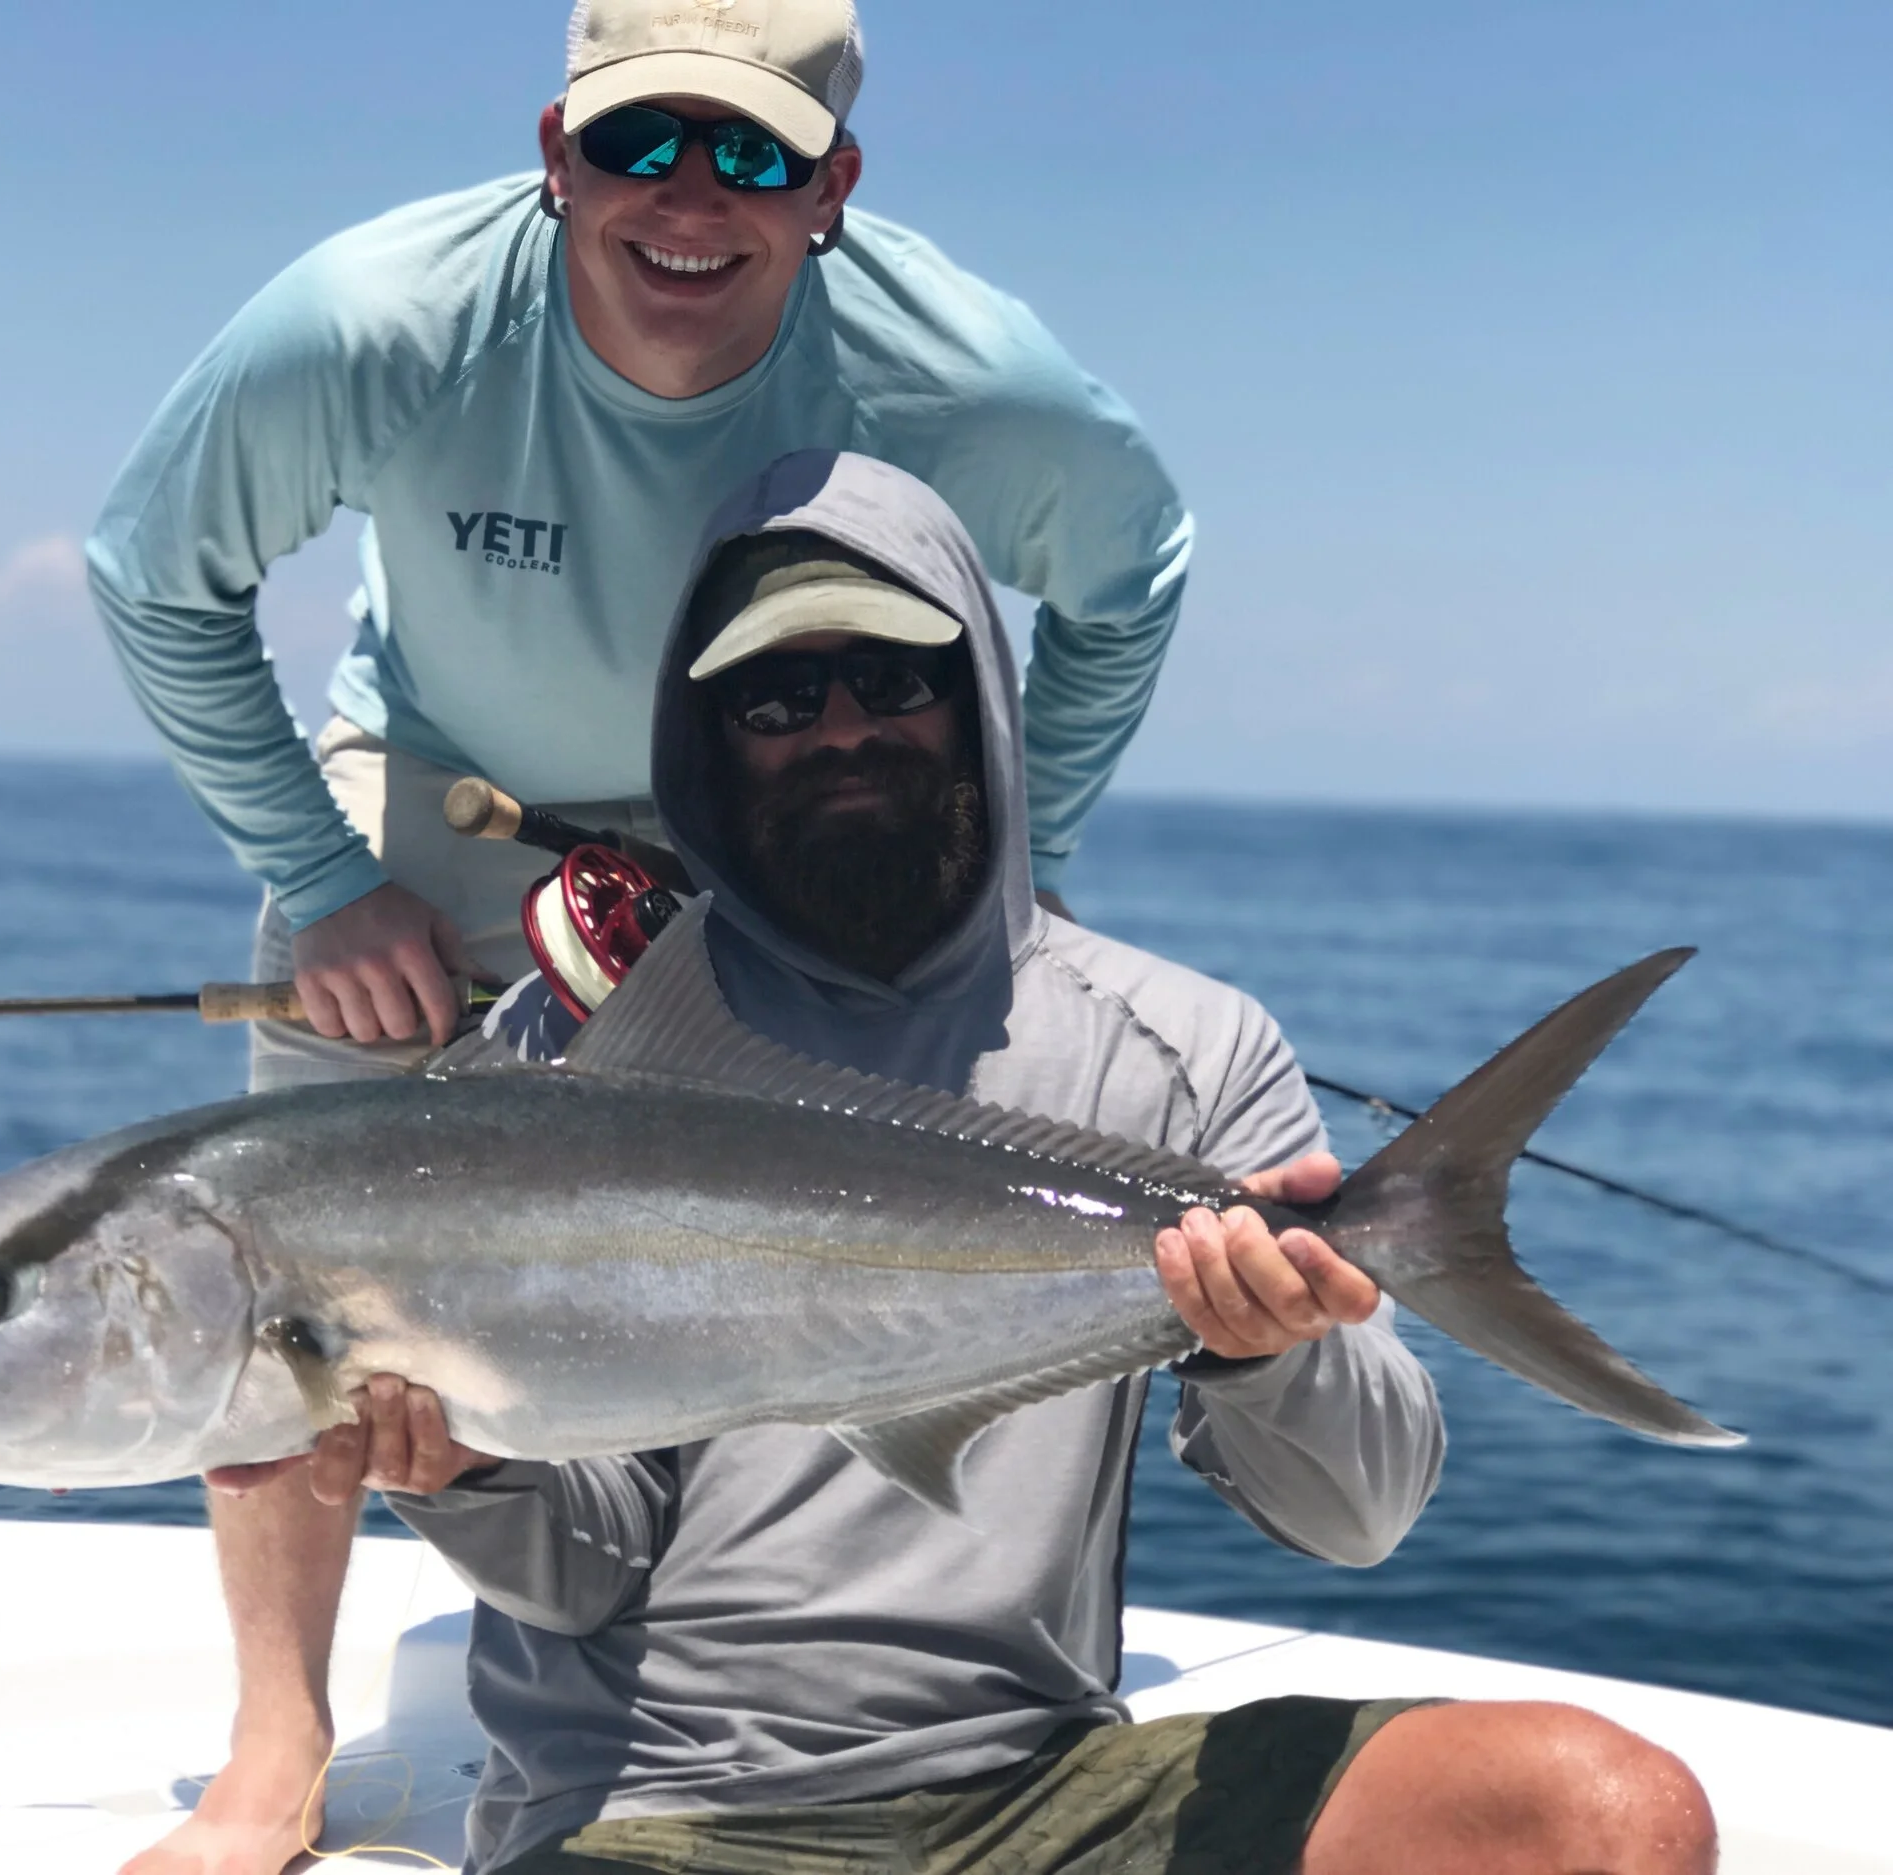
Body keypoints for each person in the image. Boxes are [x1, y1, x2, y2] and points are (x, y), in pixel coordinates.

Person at [263, 452, 1720, 1875]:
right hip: (657, 1808)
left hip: (1044, 1792)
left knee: (1596, 1814)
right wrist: (466, 1470)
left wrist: (1263, 1352)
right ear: (709, 741)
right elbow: (586, 1573)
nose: (843, 730)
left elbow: (1361, 1513)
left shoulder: (1184, 1050)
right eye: (777, 700)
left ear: (980, 700)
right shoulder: (574, 1048)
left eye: (893, 679)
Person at [96, 6, 1194, 1868]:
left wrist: (1024, 861)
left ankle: (782, 1695)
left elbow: (1133, 571)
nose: (691, 198)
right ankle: (274, 1731)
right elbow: (153, 573)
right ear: (557, 152)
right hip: (440, 791)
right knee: (280, 1277)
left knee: (820, 1238)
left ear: (835, 187)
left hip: (770, 804)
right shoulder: (377, 322)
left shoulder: (966, 375)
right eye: (639, 143)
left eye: (754, 154)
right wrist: (321, 872)